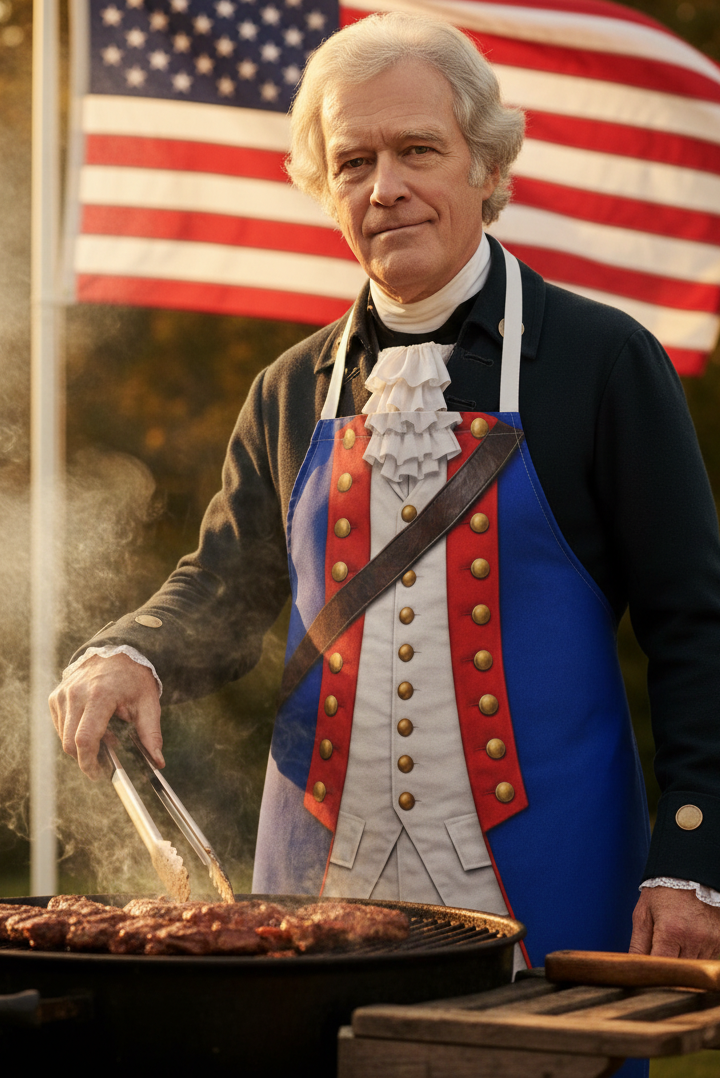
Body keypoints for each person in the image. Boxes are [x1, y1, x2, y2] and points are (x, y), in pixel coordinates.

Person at [51, 13, 720, 975]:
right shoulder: (289, 386)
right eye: (353, 161)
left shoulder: (604, 363)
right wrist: (132, 653)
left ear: (486, 167)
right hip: (318, 887)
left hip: (554, 877)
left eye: (418, 149)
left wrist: (692, 860)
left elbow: (697, 629)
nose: (386, 187)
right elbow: (226, 593)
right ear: (327, 189)